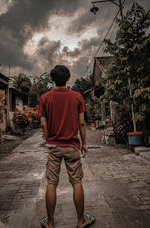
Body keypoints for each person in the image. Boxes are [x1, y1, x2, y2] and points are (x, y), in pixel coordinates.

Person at [37, 65, 96, 228]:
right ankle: (81, 220)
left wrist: (49, 140)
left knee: (51, 183)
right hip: (72, 146)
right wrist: (84, 144)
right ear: (68, 78)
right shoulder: (77, 97)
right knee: (76, 182)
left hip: (53, 147)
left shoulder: (45, 98)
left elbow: (43, 123)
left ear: (53, 79)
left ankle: (50, 222)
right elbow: (82, 123)